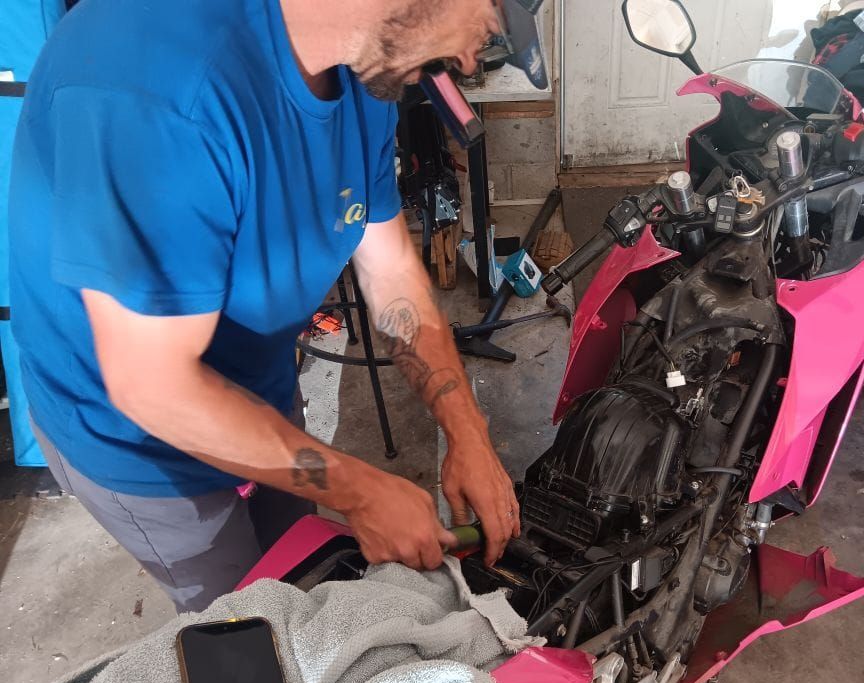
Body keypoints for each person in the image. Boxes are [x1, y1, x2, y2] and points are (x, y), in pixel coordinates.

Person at [9, 0, 519, 613]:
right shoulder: (158, 89)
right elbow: (154, 388)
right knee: (250, 641)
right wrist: (357, 492)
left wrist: (469, 433)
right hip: (138, 442)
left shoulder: (366, 71)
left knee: (303, 584)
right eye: (484, 33)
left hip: (256, 385)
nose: (467, 62)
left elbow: (393, 279)